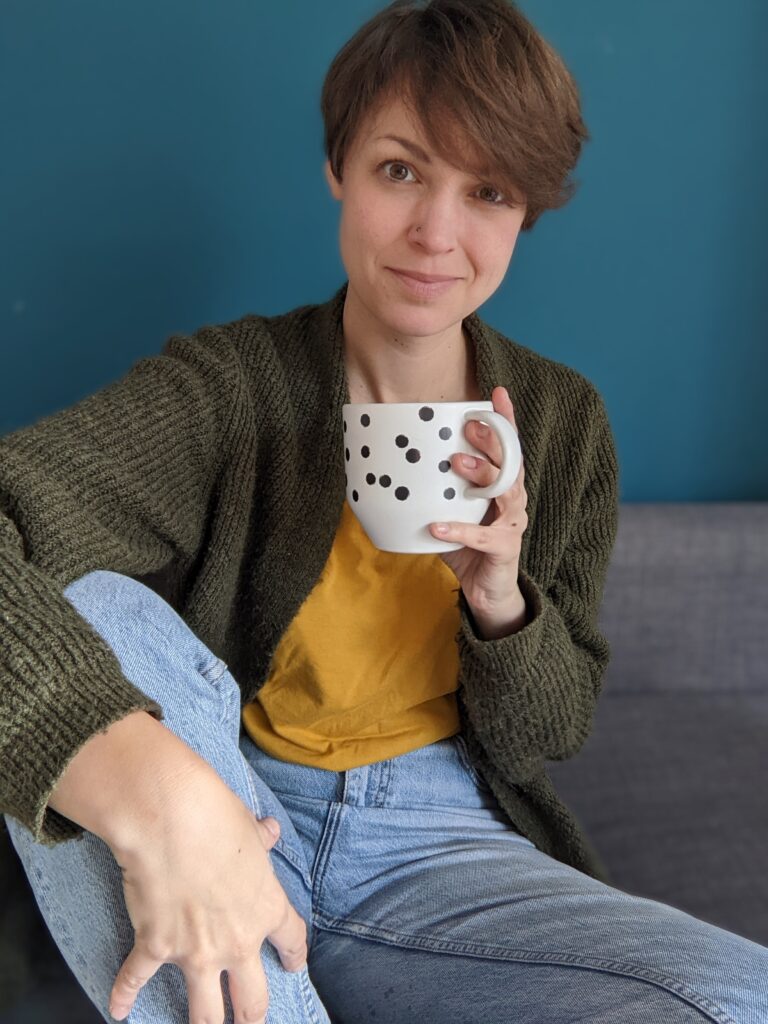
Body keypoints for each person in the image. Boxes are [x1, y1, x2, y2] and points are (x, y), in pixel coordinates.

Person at [1, 0, 766, 1021]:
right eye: (401, 170)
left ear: (524, 212)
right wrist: (151, 778)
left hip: (443, 852)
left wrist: (502, 599)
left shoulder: (564, 420)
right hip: (238, 800)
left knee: (735, 997)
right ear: (340, 168)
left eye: (487, 191)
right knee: (102, 611)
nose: (436, 234)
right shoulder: (229, 389)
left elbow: (554, 726)